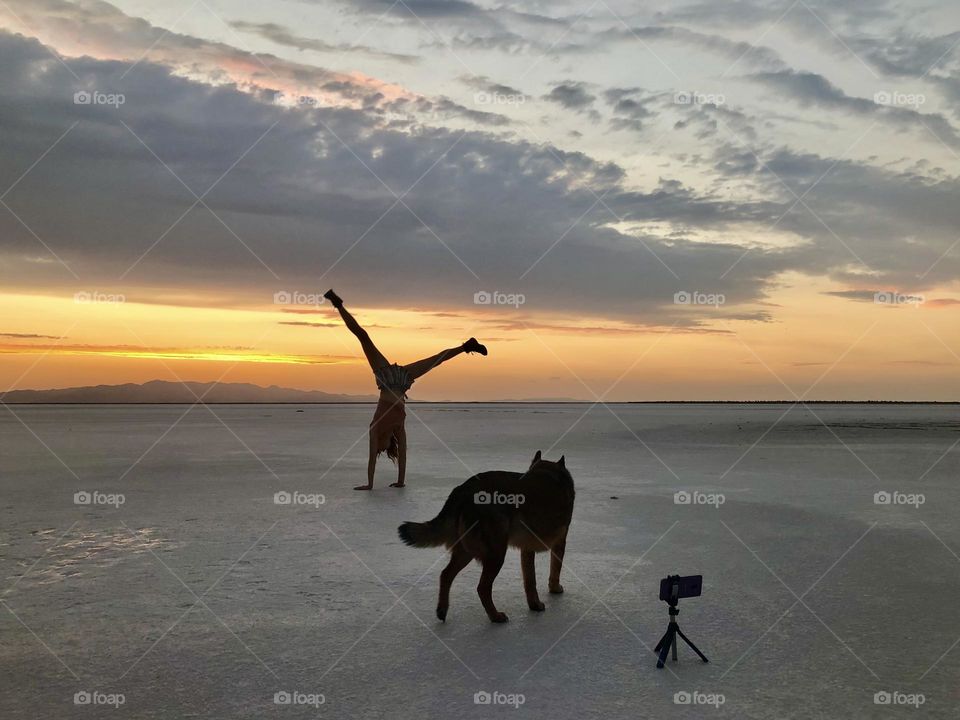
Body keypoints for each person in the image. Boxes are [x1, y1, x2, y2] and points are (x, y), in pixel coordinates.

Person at [324, 289, 488, 490]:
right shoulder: (398, 429)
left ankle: (338, 305)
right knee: (436, 360)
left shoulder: (374, 430)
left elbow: (371, 460)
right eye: (383, 450)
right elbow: (403, 454)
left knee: (364, 337)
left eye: (379, 450)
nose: (380, 450)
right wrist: (401, 481)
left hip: (385, 376)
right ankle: (466, 347)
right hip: (401, 381)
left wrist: (370, 484)